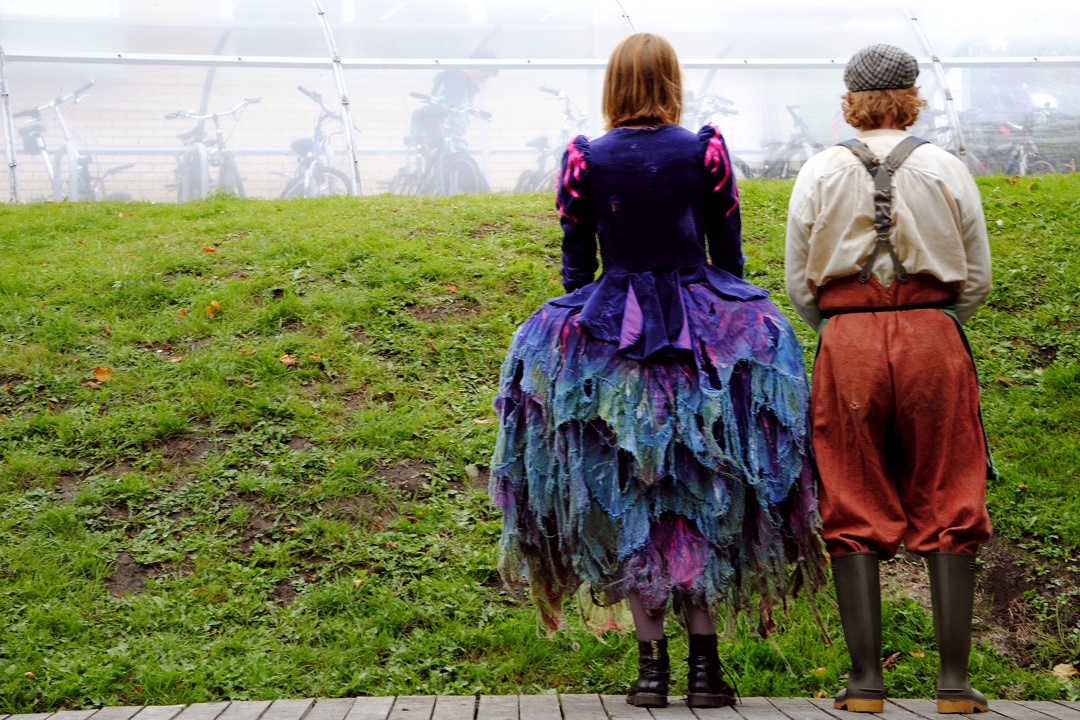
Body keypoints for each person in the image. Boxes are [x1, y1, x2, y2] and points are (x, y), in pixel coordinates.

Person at [490, 33, 824, 709]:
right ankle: (706, 673)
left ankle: (651, 673)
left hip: (611, 337)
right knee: (701, 495)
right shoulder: (704, 150)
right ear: (672, 81)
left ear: (613, 85)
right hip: (702, 331)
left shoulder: (586, 158)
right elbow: (727, 254)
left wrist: (588, 325)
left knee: (633, 494)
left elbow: (576, 262)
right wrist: (726, 320)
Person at [784, 44, 994, 714]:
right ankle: (953, 684)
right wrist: (930, 321)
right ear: (912, 99)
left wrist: (843, 327)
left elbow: (798, 282)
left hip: (848, 342)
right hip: (933, 337)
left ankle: (866, 683)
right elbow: (978, 276)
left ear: (850, 101)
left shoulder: (818, 170)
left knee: (850, 488)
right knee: (950, 486)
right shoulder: (946, 167)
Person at [409, 48, 497, 151]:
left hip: (445, 138)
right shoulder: (459, 79)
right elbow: (443, 106)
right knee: (463, 161)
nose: (484, 81)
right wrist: (446, 137)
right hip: (449, 139)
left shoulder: (457, 80)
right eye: (485, 76)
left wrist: (472, 89)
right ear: (477, 68)